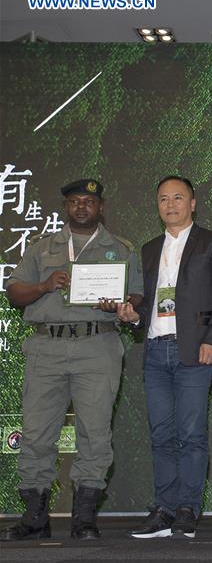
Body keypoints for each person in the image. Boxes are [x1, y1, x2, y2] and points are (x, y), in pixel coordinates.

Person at [0, 179, 143, 541]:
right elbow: (14, 291)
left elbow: (136, 294)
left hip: (97, 346)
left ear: (101, 208)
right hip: (46, 348)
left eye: (89, 201)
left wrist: (120, 304)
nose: (82, 206)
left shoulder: (121, 249)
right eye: (75, 201)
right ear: (66, 207)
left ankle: (84, 517)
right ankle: (35, 517)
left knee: (94, 433)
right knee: (36, 433)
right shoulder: (42, 247)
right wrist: (43, 285)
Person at [116, 176, 212, 539]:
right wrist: (132, 316)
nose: (170, 204)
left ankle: (187, 508)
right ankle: (163, 509)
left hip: (194, 350)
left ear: (193, 203)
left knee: (191, 433)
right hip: (155, 349)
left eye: (178, 198)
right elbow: (144, 300)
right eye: (163, 199)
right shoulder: (149, 249)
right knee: (161, 435)